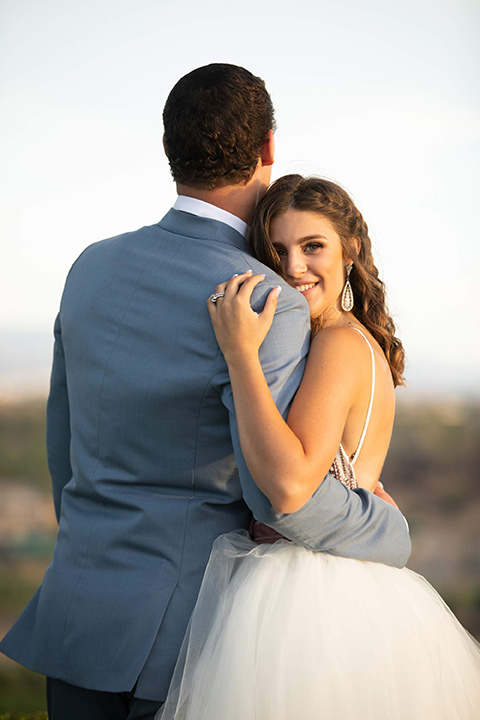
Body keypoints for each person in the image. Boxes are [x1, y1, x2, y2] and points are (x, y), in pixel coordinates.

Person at [0, 66, 411, 720]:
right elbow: (282, 498)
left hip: (79, 615)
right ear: (268, 149)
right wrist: (384, 528)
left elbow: (63, 447)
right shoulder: (266, 301)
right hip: (188, 643)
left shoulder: (90, 268)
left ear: (170, 152)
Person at [158, 175, 480, 720]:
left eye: (313, 247)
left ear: (350, 251)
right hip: (349, 581)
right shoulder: (354, 340)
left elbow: (292, 480)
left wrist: (240, 355)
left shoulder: (336, 344)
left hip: (312, 596)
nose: (292, 267)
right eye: (278, 250)